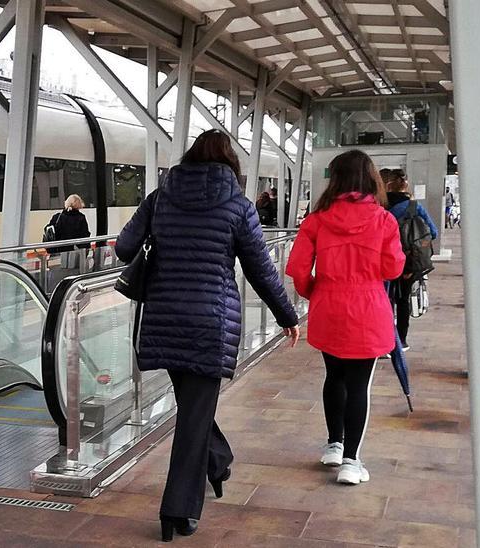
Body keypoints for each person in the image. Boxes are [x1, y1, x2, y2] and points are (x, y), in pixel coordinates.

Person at [117, 129, 300, 541]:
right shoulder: (237, 206)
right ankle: (176, 511)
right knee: (194, 415)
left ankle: (218, 463)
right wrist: (287, 315)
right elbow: (260, 269)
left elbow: (124, 249)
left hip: (164, 317)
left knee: (194, 408)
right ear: (230, 164)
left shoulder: (160, 197)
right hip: (209, 322)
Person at [286, 150, 405, 486]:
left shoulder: (317, 220)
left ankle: (333, 446)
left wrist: (315, 292)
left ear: (335, 179)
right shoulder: (384, 220)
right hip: (368, 308)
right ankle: (352, 462)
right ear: (371, 179)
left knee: (333, 376)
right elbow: (393, 267)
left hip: (328, 305)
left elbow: (296, 269)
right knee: (358, 385)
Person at [382, 169, 439, 351]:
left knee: (384, 301)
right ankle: (401, 341)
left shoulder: (378, 206)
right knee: (403, 300)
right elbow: (433, 232)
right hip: (407, 263)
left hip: (381, 263)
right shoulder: (414, 207)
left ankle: (383, 340)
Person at [45, 194, 92, 279]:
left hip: (56, 255)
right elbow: (84, 239)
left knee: (56, 278)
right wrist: (85, 253)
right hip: (73, 257)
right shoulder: (81, 218)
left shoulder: (57, 217)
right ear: (79, 204)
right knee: (72, 278)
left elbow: (48, 231)